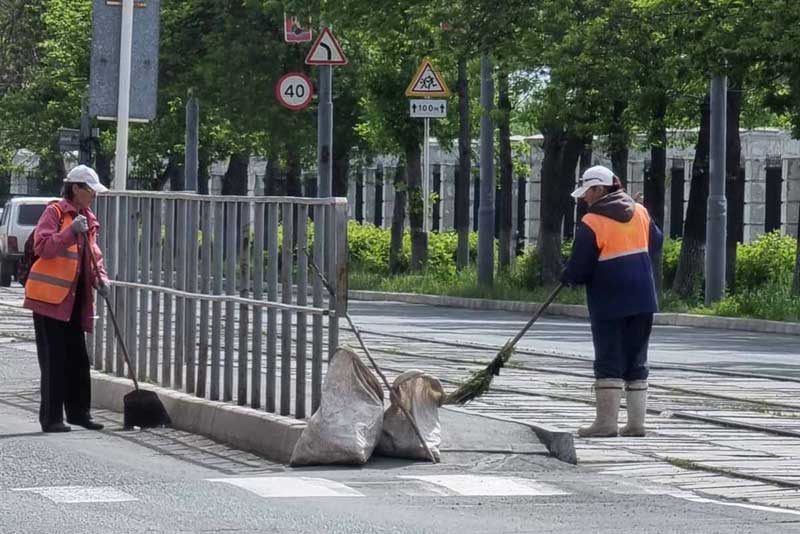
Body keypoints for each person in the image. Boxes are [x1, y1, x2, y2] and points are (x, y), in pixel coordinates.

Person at [561, 165, 663, 438]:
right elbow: (656, 242)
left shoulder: (592, 221)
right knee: (636, 359)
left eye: (587, 192)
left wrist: (567, 276)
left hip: (609, 298)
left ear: (600, 189)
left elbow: (580, 266)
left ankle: (606, 424)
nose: (584, 198)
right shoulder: (640, 212)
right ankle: (636, 423)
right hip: (643, 297)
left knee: (609, 357)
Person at [23, 165, 110, 433]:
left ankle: (79, 413)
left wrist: (101, 279)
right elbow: (44, 247)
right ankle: (51, 418)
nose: (94, 195)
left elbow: (93, 256)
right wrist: (70, 231)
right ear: (76, 189)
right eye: (90, 190)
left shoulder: (88, 217)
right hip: (49, 299)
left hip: (76, 300)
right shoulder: (55, 213)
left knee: (78, 360)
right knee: (54, 361)